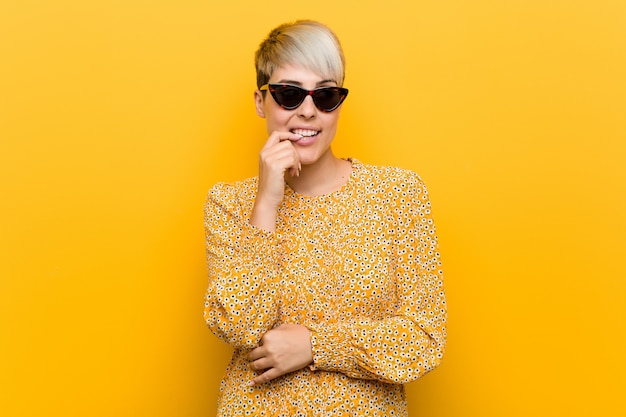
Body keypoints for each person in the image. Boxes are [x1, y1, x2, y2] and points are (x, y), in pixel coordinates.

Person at [204, 20, 447, 416]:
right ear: (260, 101)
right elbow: (239, 325)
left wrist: (315, 345)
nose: (308, 111)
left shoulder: (398, 195)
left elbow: (423, 340)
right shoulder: (229, 203)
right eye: (289, 94)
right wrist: (266, 201)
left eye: (325, 95)